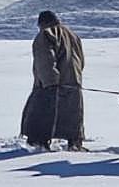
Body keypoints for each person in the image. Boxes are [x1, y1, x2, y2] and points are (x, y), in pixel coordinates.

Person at [20, 11, 85, 151]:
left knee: (40, 113)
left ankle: (39, 143)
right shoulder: (73, 35)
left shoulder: (46, 34)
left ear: (42, 23)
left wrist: (49, 81)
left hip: (52, 83)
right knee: (72, 114)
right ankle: (74, 142)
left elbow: (45, 59)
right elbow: (81, 60)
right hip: (74, 82)